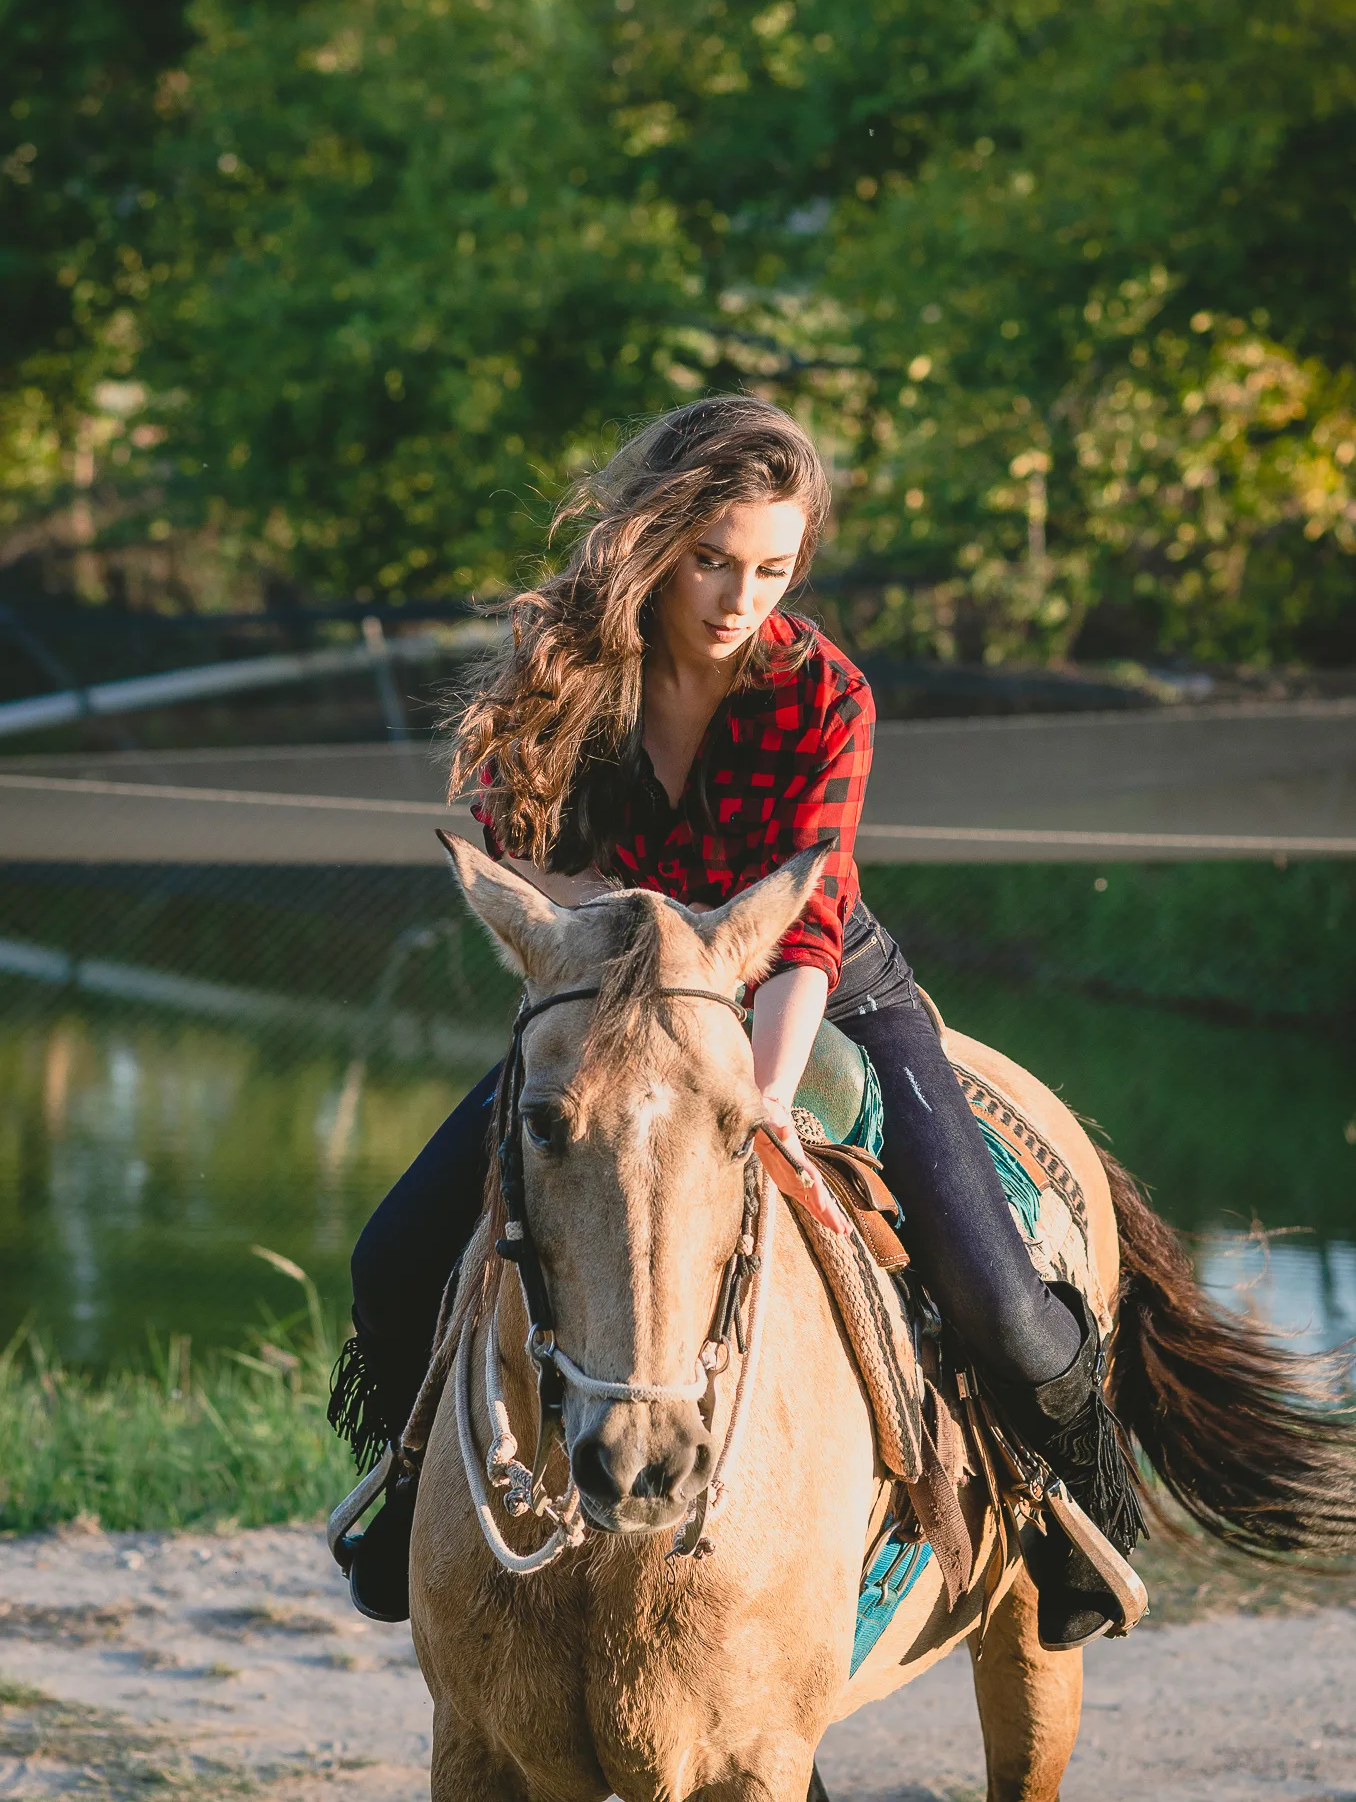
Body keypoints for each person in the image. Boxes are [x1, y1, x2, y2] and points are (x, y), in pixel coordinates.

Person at [330, 396, 1142, 1644]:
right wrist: (592, 924)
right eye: (711, 559)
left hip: (816, 990)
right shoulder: (562, 663)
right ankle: (408, 1492)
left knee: (1010, 1313)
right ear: (654, 543)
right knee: (389, 1261)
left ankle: (1073, 1516)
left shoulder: (827, 695)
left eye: (771, 567)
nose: (736, 596)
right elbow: (509, 835)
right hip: (619, 997)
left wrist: (752, 1100)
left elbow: (805, 924)